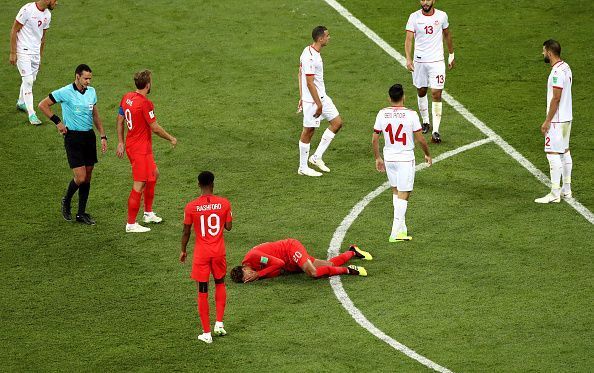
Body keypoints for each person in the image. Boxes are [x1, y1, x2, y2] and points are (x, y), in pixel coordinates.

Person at [38, 64, 107, 225]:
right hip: (73, 137)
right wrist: (58, 122)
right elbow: (43, 105)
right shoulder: (65, 92)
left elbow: (95, 115)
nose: (88, 81)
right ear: (77, 76)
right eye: (85, 78)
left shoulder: (92, 92)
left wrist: (102, 135)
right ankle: (67, 200)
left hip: (88, 137)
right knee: (80, 177)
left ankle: (81, 213)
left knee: (88, 175)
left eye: (90, 78)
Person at [116, 69, 177, 233]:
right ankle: (130, 224)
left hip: (133, 145)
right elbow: (155, 128)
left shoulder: (127, 97)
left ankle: (148, 213)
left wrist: (121, 141)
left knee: (153, 175)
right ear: (148, 84)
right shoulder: (145, 103)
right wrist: (171, 138)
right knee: (139, 183)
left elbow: (120, 119)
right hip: (139, 149)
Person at [372, 84, 432, 242]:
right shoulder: (411, 115)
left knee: (396, 192)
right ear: (403, 97)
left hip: (389, 157)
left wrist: (378, 158)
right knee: (404, 194)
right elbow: (420, 139)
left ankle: (402, 230)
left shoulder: (382, 113)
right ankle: (395, 232)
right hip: (405, 159)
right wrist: (427, 154)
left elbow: (375, 138)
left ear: (389, 98)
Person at [179, 171, 232, 344]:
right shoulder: (224, 203)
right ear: (213, 184)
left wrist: (183, 250)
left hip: (201, 254)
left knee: (202, 291)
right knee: (220, 283)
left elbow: (186, 231)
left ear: (198, 184)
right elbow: (229, 227)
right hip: (219, 252)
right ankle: (219, 324)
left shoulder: (191, 206)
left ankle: (206, 333)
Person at [404, 0, 454, 143]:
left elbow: (447, 35)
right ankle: (425, 121)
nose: (425, 2)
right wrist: (408, 59)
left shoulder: (442, 16)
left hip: (437, 61)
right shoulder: (414, 17)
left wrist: (451, 55)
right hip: (419, 62)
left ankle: (436, 131)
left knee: (436, 93)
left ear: (434, 1)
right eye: (422, 0)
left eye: (428, 0)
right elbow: (408, 40)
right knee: (421, 91)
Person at [297, 25, 343, 177]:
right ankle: (303, 167)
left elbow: (299, 73)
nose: (329, 38)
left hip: (321, 96)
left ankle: (316, 157)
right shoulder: (309, 57)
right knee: (308, 131)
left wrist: (301, 95)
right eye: (327, 36)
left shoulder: (310, 51)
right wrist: (316, 103)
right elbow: (309, 82)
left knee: (337, 123)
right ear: (320, 38)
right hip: (313, 101)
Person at [535, 40, 573, 204]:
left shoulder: (556, 72)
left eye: (544, 51)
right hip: (567, 118)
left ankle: (555, 193)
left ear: (550, 52)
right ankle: (567, 190)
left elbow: (556, 98)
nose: (543, 54)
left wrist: (547, 121)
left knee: (552, 154)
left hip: (557, 120)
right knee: (565, 152)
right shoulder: (566, 66)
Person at [230, 239, 371, 283]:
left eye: (247, 275)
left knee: (313, 273)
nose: (249, 277)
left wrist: (259, 275)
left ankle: (349, 269)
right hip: (289, 263)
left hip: (290, 250)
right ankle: (352, 251)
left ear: (244, 268)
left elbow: (279, 263)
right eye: (246, 280)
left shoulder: (253, 257)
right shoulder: (254, 269)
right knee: (330, 265)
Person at [10, 0, 58, 125]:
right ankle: (32, 114)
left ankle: (21, 102)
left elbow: (43, 37)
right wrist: (13, 52)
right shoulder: (27, 10)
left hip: (35, 53)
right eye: (55, 0)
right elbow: (14, 30)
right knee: (28, 80)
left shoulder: (47, 14)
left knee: (31, 79)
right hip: (23, 51)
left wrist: (40, 56)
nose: (56, 3)